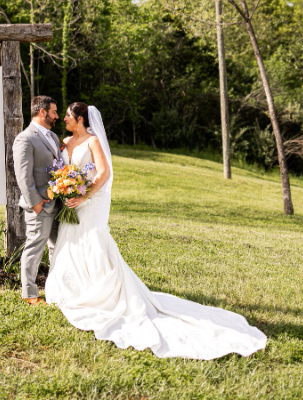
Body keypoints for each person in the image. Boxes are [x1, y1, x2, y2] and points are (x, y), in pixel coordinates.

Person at [45, 102, 267, 359]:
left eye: (69, 116)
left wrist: (83, 196)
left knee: (93, 240)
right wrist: (66, 187)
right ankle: (71, 287)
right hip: (72, 201)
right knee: (72, 240)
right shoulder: (65, 141)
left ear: (81, 119)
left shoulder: (93, 141)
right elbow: (63, 170)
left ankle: (102, 293)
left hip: (89, 202)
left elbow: (103, 173)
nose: (65, 119)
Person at [13, 96, 62, 305]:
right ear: (42, 112)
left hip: (57, 204)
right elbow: (23, 175)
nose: (57, 116)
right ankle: (29, 294)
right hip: (39, 206)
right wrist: (35, 202)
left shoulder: (53, 137)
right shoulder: (25, 138)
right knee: (34, 247)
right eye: (54, 112)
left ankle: (55, 289)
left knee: (56, 247)